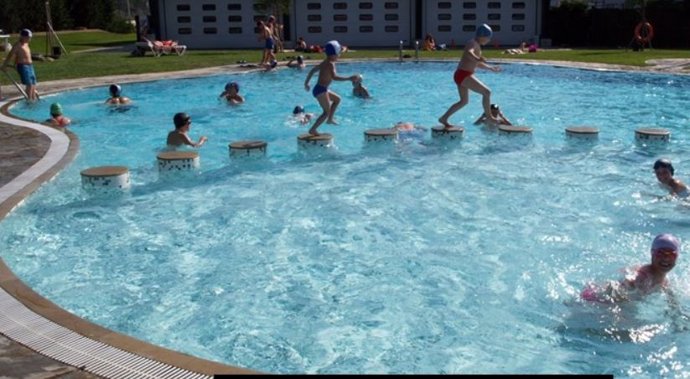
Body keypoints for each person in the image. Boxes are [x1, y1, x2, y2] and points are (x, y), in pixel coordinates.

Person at [581, 234, 681, 303]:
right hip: (594, 298)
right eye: (660, 253)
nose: (666, 258)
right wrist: (630, 282)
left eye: (672, 255)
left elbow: (671, 300)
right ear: (652, 253)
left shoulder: (665, 281)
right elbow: (631, 278)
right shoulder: (644, 275)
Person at [438, 24, 501, 129]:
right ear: (483, 36)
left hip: (461, 74)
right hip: (463, 74)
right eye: (488, 38)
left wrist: (490, 68)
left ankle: (443, 118)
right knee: (487, 92)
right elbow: (469, 53)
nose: (489, 41)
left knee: (464, 101)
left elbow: (477, 63)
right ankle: (489, 117)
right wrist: (478, 58)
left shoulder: (477, 45)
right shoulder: (472, 43)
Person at [303, 40, 359, 135]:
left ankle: (330, 120)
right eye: (339, 53)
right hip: (321, 90)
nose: (339, 55)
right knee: (326, 111)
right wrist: (349, 78)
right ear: (334, 54)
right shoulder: (330, 64)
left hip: (320, 89)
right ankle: (313, 129)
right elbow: (334, 77)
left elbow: (312, 70)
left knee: (337, 99)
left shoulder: (325, 62)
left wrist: (306, 83)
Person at [1, 29, 38, 101]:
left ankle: (33, 99)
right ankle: (29, 101)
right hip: (23, 66)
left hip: (30, 66)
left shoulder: (26, 44)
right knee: (29, 84)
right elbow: (10, 55)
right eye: (28, 37)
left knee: (33, 84)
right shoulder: (17, 45)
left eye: (29, 37)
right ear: (22, 37)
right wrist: (4, 65)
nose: (29, 39)